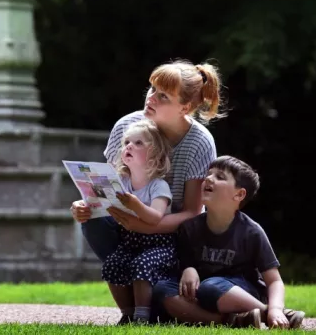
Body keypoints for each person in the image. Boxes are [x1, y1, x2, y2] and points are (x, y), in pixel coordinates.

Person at [70, 59, 222, 321]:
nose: (151, 98)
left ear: (184, 107)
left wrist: (148, 226)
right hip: (129, 226)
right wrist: (86, 205)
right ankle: (130, 305)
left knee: (163, 293)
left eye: (163, 96)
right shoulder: (126, 127)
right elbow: (109, 188)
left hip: (173, 234)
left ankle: (151, 300)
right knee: (93, 222)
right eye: (152, 89)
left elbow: (193, 214)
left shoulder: (199, 142)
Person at [154, 155, 305, 329]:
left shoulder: (251, 232)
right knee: (162, 289)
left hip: (239, 291)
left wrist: (275, 309)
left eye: (220, 177)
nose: (208, 178)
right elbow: (185, 262)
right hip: (203, 292)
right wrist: (189, 269)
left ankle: (265, 312)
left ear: (239, 194)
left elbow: (274, 281)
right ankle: (230, 320)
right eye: (209, 174)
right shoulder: (189, 228)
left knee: (210, 286)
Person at [101, 119, 176, 324]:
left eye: (138, 143)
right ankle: (127, 313)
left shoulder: (158, 186)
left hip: (159, 244)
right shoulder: (121, 182)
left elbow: (155, 217)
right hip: (130, 242)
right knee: (112, 265)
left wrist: (135, 205)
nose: (129, 146)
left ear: (155, 154)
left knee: (142, 264)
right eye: (126, 143)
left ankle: (142, 316)